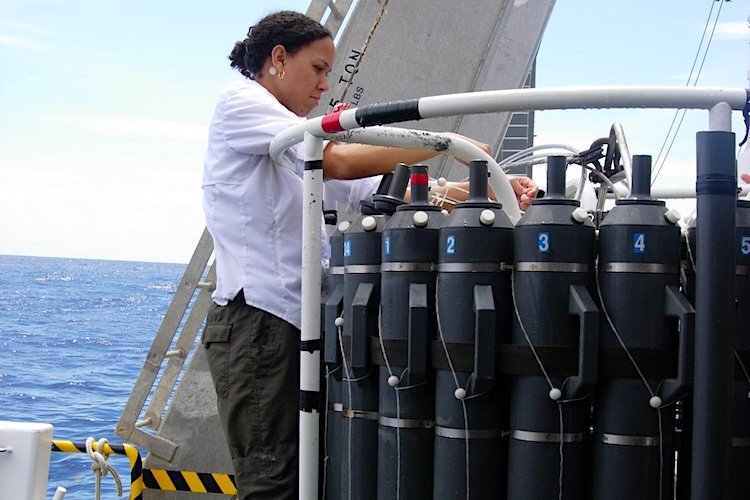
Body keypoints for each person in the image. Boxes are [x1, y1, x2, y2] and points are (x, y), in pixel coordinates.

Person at [200, 10, 537, 499]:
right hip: (259, 325)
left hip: (306, 326)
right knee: (273, 480)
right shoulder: (245, 105)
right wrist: (447, 142)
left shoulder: (296, 138)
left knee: (312, 476)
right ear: (278, 58)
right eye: (317, 68)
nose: (323, 83)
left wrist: (476, 187)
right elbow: (334, 162)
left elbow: (376, 189)